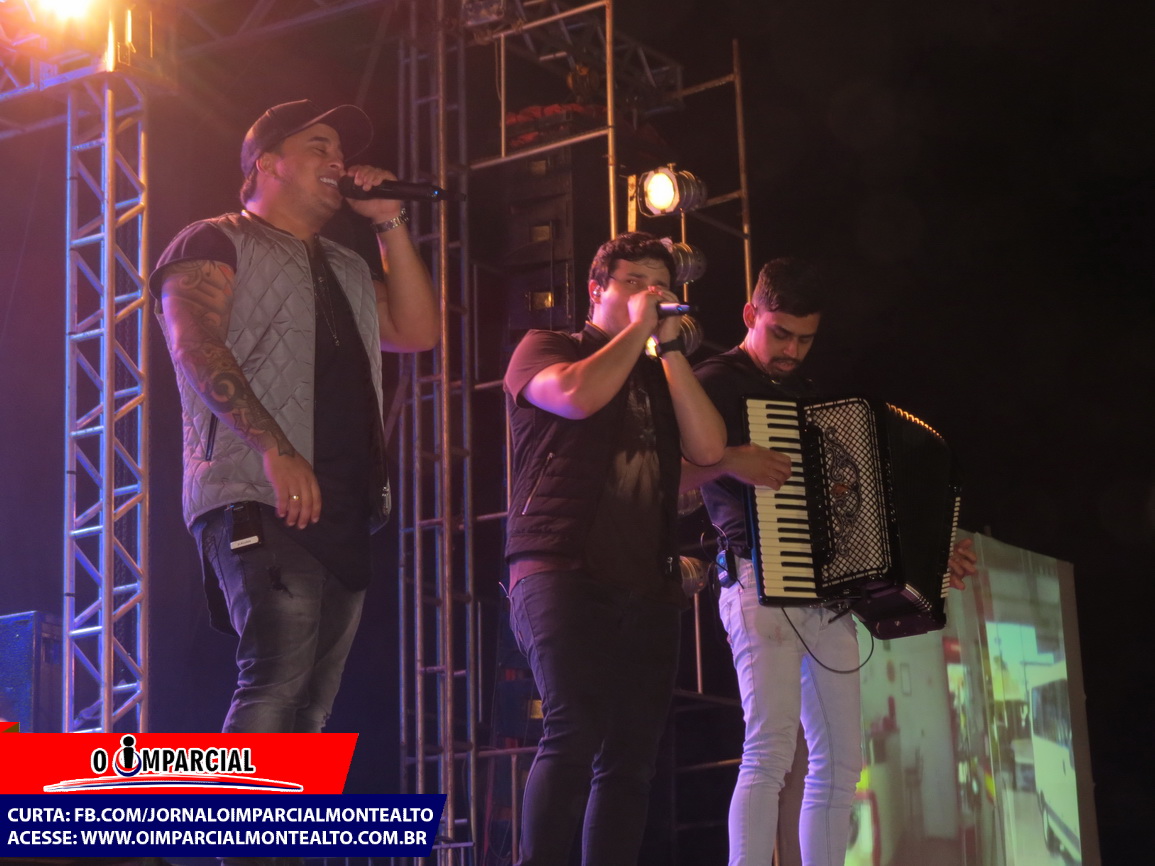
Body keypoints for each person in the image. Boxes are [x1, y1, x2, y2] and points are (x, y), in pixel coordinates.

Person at [150, 100, 439, 734]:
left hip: (343, 502)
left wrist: (389, 221)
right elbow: (196, 346)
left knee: (311, 707)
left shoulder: (347, 265)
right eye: (319, 146)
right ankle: (238, 807)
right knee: (275, 681)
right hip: (259, 490)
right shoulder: (215, 239)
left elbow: (419, 330)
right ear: (267, 163)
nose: (338, 160)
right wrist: (273, 448)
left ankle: (281, 806)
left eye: (340, 150)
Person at [681, 258, 978, 866]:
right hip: (755, 582)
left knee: (843, 763)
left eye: (805, 339)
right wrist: (732, 459)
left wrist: (930, 551)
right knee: (769, 751)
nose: (792, 351)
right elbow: (669, 476)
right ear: (750, 314)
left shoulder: (814, 398)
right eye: (780, 333)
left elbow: (857, 507)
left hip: (826, 599)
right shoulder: (714, 382)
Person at [503, 232, 726, 865]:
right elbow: (577, 397)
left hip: (649, 582)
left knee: (631, 761)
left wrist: (671, 351)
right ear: (597, 289)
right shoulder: (548, 348)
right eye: (633, 283)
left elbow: (708, 448)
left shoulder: (659, 372)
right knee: (573, 730)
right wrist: (636, 331)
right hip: (562, 566)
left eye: (661, 288)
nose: (648, 296)